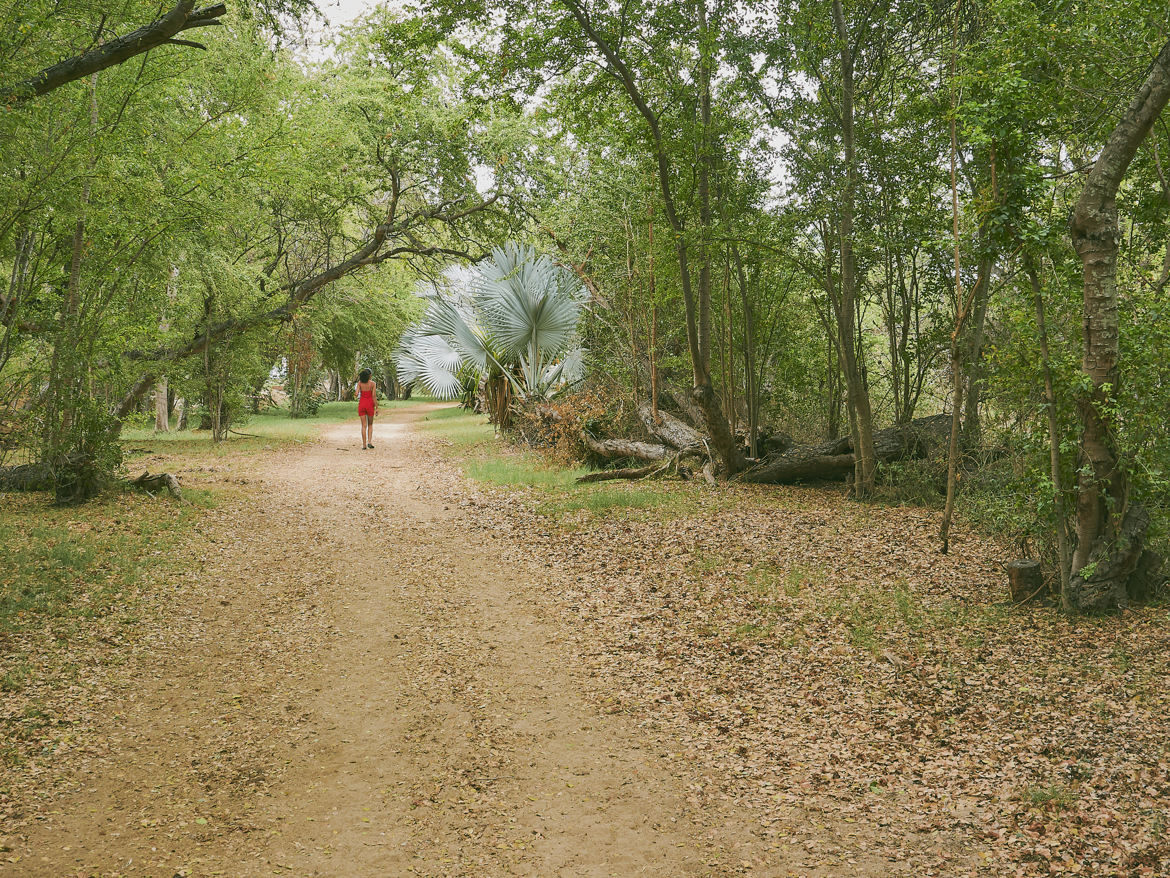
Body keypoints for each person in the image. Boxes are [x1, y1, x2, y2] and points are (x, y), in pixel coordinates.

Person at [356, 368, 378, 449]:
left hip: (361, 404)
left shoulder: (359, 383)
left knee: (363, 426)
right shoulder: (373, 384)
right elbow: (374, 396)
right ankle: (369, 442)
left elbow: (356, 393)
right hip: (369, 405)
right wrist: (377, 407)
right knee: (370, 424)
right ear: (369, 376)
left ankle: (364, 445)